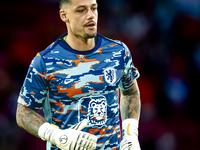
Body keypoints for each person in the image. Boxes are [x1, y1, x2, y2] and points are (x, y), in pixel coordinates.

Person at [16, 0, 142, 149]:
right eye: (81, 10)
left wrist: (130, 133)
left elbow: (130, 92)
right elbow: (23, 112)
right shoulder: (45, 61)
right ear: (64, 15)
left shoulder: (118, 52)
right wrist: (55, 135)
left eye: (94, 8)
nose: (90, 15)